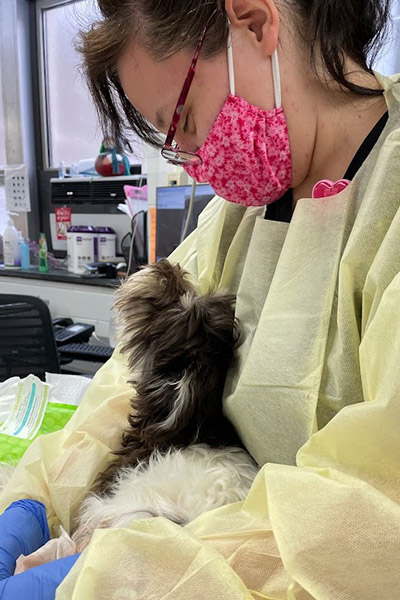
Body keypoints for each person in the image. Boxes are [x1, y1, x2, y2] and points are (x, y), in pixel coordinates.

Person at [1, 0, 400, 598]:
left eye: (184, 120)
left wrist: (133, 573)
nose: (195, 164)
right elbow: (132, 392)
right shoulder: (234, 219)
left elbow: (376, 511)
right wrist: (37, 494)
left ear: (257, 22)